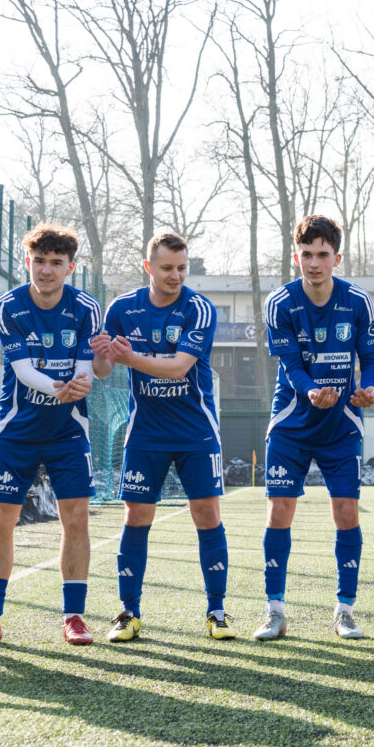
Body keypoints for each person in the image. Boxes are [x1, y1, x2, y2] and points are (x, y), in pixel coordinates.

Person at [0, 225, 102, 648]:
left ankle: (74, 617)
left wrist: (81, 382)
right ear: (28, 262)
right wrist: (61, 387)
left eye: (56, 263)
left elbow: (86, 367)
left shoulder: (87, 308)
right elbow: (23, 371)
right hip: (17, 431)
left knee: (76, 519)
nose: (46, 270)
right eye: (39, 261)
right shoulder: (8, 306)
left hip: (68, 432)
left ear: (70, 268)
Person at [91, 231, 230, 643]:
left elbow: (179, 367)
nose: (176, 275)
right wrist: (102, 354)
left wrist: (129, 357)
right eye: (167, 267)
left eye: (182, 268)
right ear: (148, 267)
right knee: (136, 516)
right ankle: (128, 613)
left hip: (196, 431)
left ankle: (217, 610)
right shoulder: (123, 308)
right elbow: (102, 370)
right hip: (145, 432)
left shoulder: (199, 308)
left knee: (207, 514)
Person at [256, 215, 374, 640]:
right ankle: (275, 611)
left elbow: (371, 361)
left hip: (340, 424)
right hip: (291, 422)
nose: (314, 263)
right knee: (279, 511)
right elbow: (291, 366)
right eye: (306, 254)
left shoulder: (357, 302)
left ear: (336, 258)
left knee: (346, 512)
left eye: (322, 254)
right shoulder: (280, 303)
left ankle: (344, 611)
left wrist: (369, 389)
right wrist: (311, 391)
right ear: (297, 257)